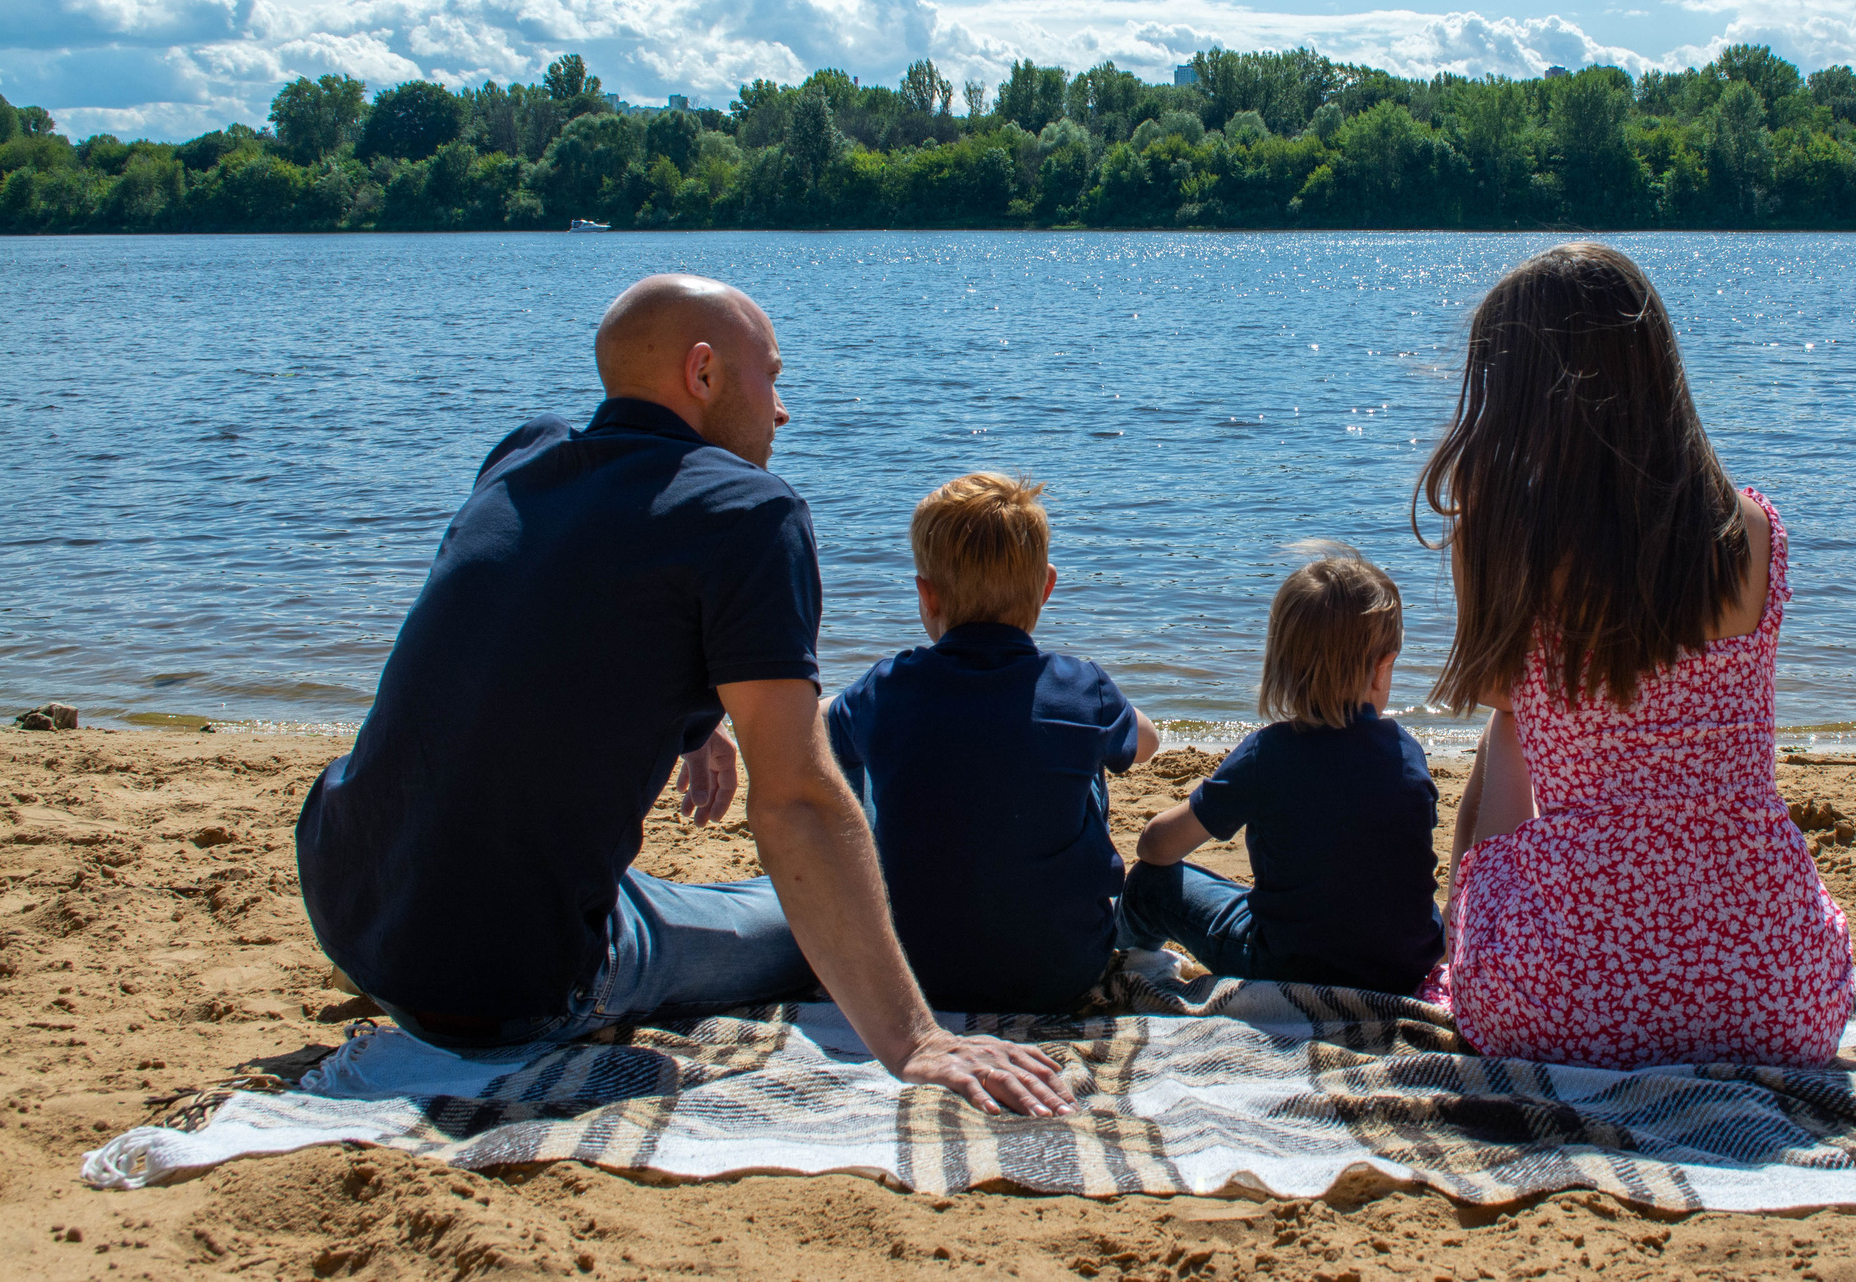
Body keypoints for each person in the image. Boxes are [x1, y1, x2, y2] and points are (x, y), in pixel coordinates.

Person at [293, 274, 1070, 1116]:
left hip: (348, 900)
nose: (781, 412)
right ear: (703, 374)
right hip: (506, 992)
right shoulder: (751, 513)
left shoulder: (524, 453)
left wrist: (697, 716)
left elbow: (533, 621)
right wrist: (918, 1041)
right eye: (772, 376)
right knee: (803, 910)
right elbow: (798, 802)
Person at [1424, 242, 1853, 1069]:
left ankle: (1462, 953)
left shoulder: (1506, 536)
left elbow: (1494, 693)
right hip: (1777, 989)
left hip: (1559, 997)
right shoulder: (1755, 531)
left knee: (1508, 725)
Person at [827, 473, 1158, 1014]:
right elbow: (1146, 744)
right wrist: (1104, 709)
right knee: (1089, 757)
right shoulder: (1081, 687)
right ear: (1047, 586)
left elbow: (819, 731)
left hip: (913, 970)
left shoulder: (887, 688)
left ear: (926, 594)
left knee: (861, 753)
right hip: (1062, 973)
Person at [1122, 547, 1444, 997]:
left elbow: (1156, 847)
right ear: (1382, 667)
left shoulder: (1267, 753)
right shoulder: (1407, 752)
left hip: (1287, 966)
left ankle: (1126, 958)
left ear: (1281, 662)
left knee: (1150, 885)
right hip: (1403, 967)